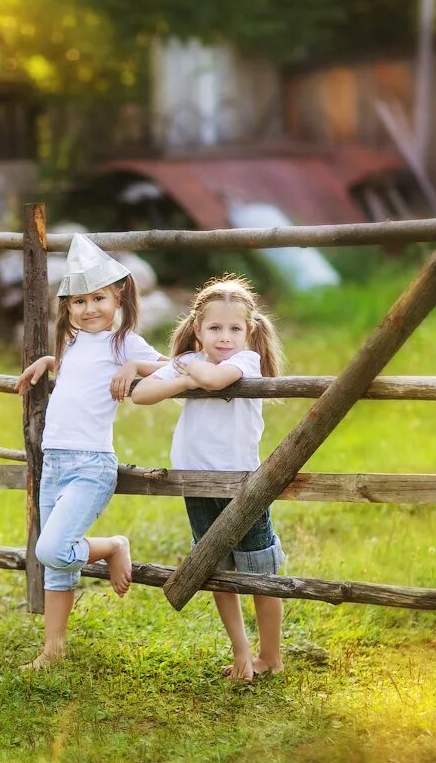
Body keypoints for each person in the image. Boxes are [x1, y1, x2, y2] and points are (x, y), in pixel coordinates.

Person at [15, 235, 168, 671]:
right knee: (57, 565)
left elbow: (175, 366)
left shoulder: (126, 343)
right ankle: (53, 649)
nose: (89, 308)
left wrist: (135, 367)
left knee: (53, 549)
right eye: (78, 301)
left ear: (118, 296)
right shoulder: (75, 342)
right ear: (68, 307)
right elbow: (75, 372)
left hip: (90, 465)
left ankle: (113, 545)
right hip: (56, 463)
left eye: (98, 297)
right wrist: (48, 362)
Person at [131, 274, 287, 682]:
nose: (225, 336)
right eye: (215, 328)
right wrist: (179, 371)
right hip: (196, 480)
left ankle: (271, 656)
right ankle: (241, 653)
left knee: (259, 573)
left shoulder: (244, 361)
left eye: (235, 329)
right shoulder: (191, 360)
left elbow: (216, 380)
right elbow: (141, 394)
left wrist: (184, 371)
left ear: (248, 332)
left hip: (242, 483)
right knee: (215, 568)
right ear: (198, 329)